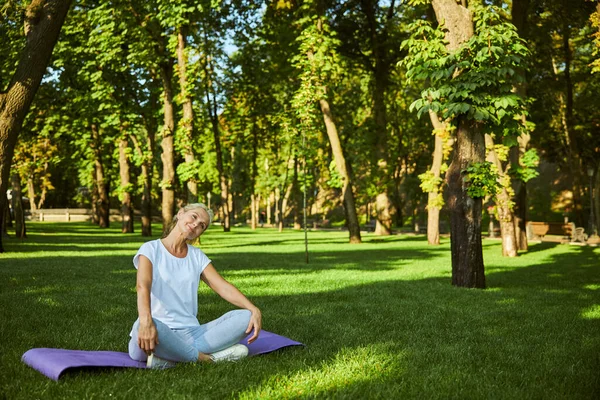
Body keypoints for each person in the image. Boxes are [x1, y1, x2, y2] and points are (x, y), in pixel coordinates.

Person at [128, 203, 262, 369]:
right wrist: (146, 322)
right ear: (180, 213)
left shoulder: (197, 256)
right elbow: (143, 286)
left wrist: (253, 309)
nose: (196, 224)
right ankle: (207, 359)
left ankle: (169, 359)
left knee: (246, 317)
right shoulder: (151, 249)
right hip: (156, 332)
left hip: (191, 334)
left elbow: (222, 287)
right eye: (194, 216)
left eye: (202, 226)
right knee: (139, 328)